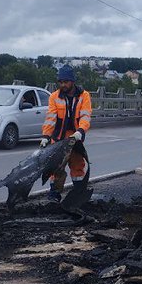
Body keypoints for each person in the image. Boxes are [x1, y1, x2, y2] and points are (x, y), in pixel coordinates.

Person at [40, 65, 92, 202]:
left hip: (75, 137)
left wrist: (80, 131)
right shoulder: (54, 97)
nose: (63, 85)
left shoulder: (84, 96)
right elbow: (51, 118)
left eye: (65, 82)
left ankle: (79, 193)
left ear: (72, 81)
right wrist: (46, 136)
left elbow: (85, 116)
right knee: (56, 167)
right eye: (60, 82)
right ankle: (54, 195)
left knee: (77, 165)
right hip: (58, 138)